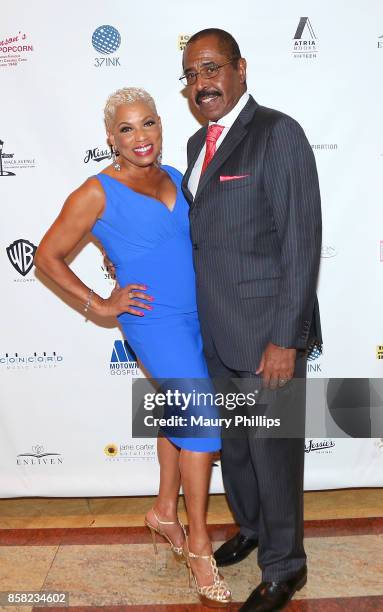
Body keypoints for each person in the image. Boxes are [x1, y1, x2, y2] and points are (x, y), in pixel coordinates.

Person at [34, 87, 232, 608]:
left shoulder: (175, 176)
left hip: (200, 313)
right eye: (126, 129)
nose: (139, 137)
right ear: (110, 138)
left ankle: (164, 511)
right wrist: (99, 304)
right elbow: (47, 256)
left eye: (147, 124)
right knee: (205, 426)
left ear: (161, 125)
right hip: (153, 321)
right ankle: (198, 543)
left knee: (180, 416)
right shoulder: (96, 191)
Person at [180, 29, 322, 611]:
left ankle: (286, 567)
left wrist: (286, 339)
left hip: (267, 334)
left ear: (241, 69)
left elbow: (301, 242)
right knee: (236, 450)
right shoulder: (196, 144)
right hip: (216, 333)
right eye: (191, 75)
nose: (202, 84)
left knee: (273, 450)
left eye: (211, 69)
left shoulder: (278, 133)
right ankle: (255, 528)